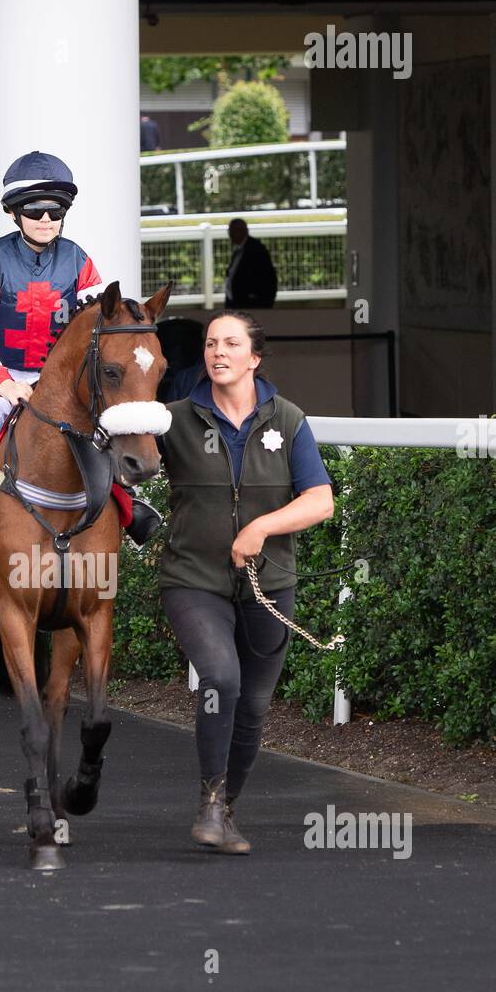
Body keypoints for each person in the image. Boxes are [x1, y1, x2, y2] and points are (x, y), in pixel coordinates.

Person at [0, 150, 162, 561]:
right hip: (1, 371)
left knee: (99, 421)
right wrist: (5, 384)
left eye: (56, 210)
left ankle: (126, 501)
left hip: (56, 376)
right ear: (14, 213)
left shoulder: (79, 260)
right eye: (35, 210)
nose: (46, 219)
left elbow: (95, 328)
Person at [156, 311, 334, 854]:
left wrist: (261, 527)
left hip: (269, 583)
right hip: (193, 579)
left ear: (254, 357)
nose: (218, 352)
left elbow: (319, 500)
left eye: (232, 343)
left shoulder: (289, 420)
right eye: (211, 344)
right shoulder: (173, 420)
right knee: (221, 679)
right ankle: (210, 802)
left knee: (254, 704)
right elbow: (121, 461)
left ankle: (227, 809)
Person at [224, 218, 277, 310]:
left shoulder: (256, 249)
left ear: (243, 231)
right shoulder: (241, 249)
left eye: (232, 231)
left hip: (251, 304)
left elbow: (267, 277)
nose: (230, 235)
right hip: (239, 302)